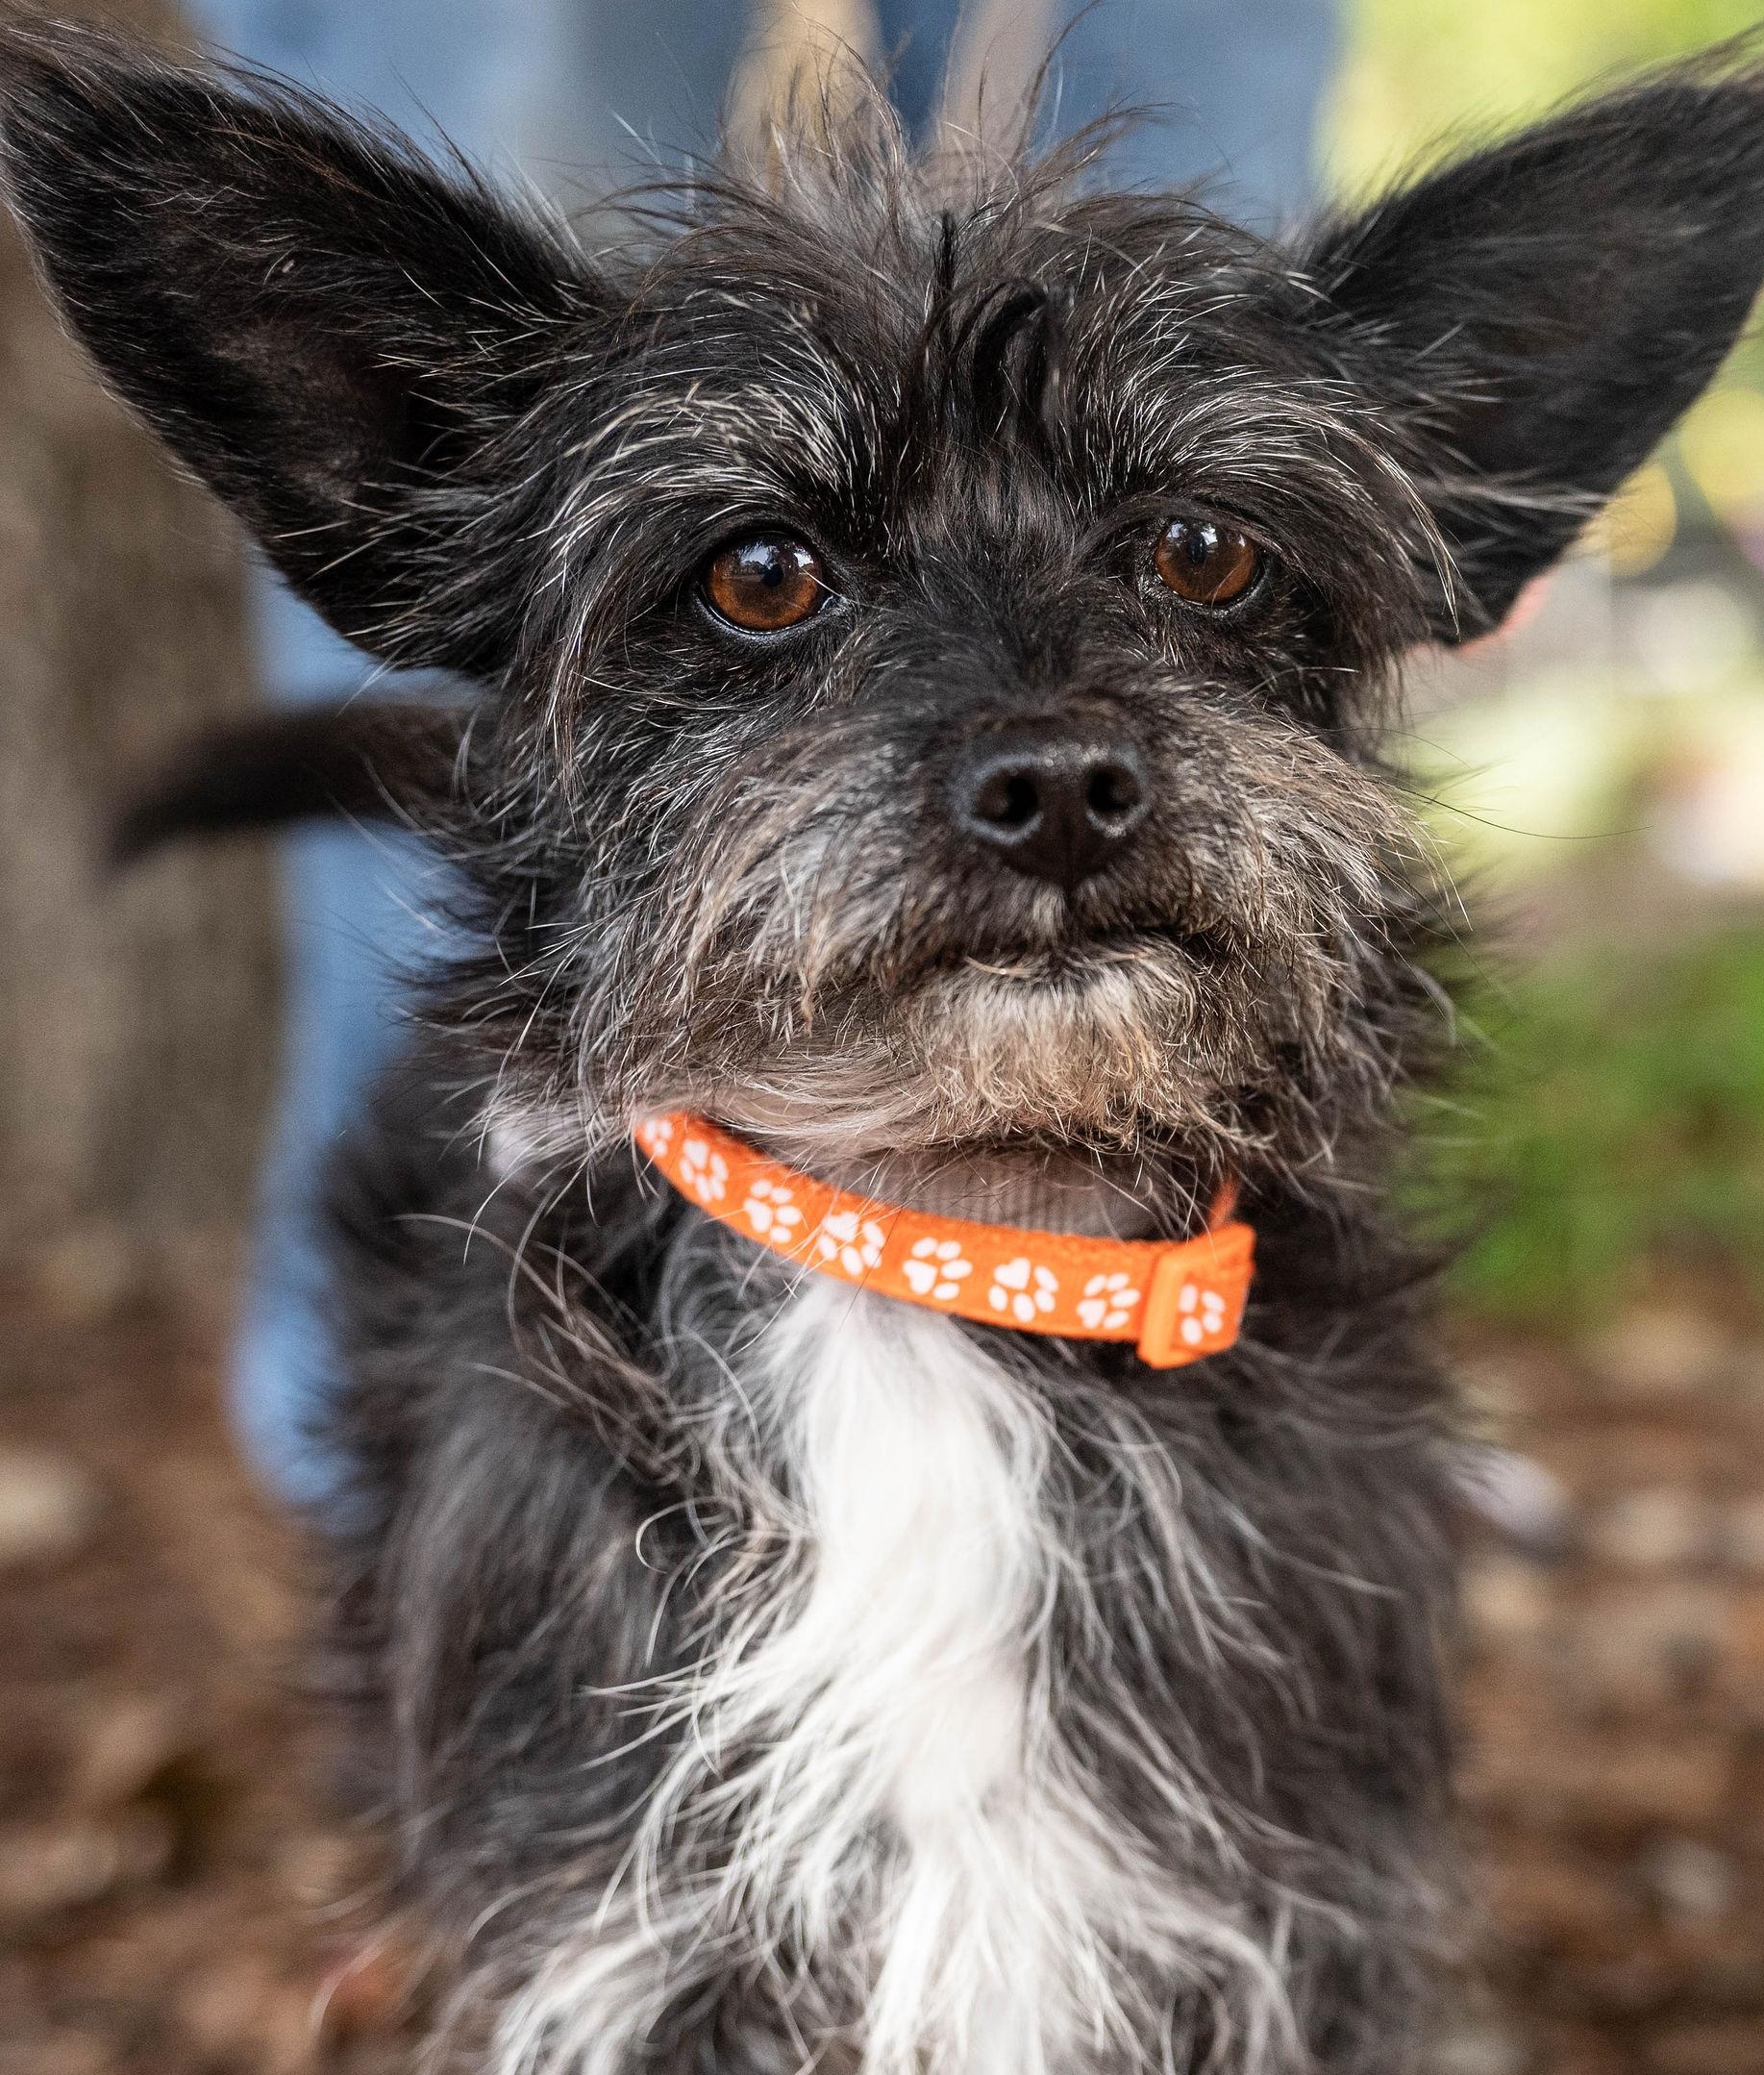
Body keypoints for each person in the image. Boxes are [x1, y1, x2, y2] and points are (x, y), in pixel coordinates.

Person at [183, 0, 1337, 1512]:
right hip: (528, 1327)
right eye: (767, 581)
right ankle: (358, 1446)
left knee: (1212, 236)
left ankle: (1250, 1380)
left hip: (1259, 1345)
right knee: (500, 89)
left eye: (1196, 561)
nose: (1055, 753)